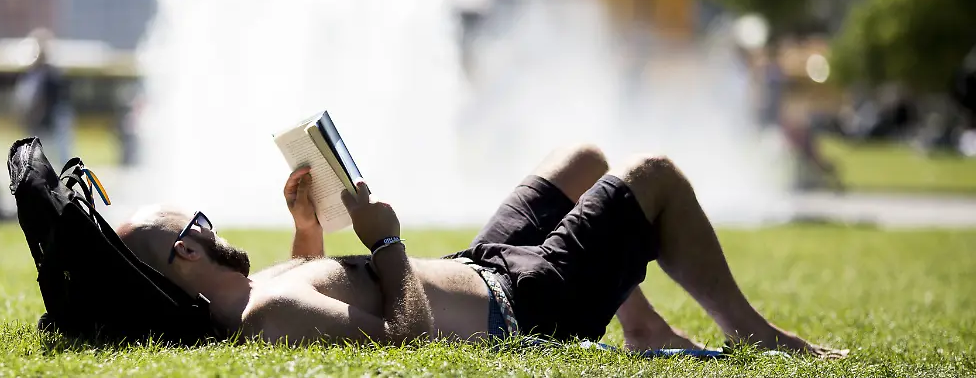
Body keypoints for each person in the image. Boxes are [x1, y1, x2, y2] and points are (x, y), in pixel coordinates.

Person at [118, 145, 846, 358]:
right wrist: (388, 239)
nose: (212, 226)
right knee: (653, 176)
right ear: (186, 253)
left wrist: (308, 226)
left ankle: (645, 327)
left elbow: (319, 277)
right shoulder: (268, 313)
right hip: (527, 302)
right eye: (200, 222)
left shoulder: (253, 293)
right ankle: (761, 338)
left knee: (585, 161)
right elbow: (406, 335)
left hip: (485, 264)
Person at [14, 29, 69, 164]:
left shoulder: (51, 75)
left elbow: (50, 99)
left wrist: (40, 114)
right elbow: (24, 99)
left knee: (57, 154)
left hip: (51, 119)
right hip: (37, 120)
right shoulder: (31, 74)